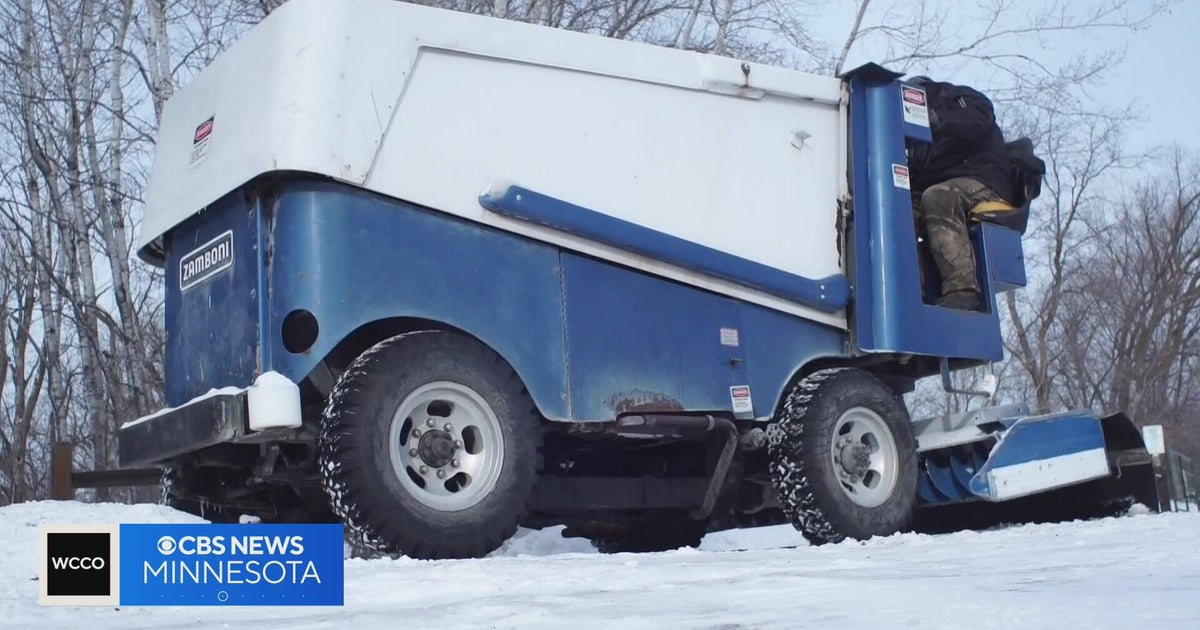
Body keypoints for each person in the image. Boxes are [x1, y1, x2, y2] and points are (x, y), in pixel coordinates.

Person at [905, 75, 1016, 312]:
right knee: (898, 207)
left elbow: (978, 122)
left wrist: (940, 120)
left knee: (939, 197)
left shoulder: (959, 99)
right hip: (943, 186)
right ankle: (911, 289)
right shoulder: (917, 142)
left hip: (984, 181)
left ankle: (962, 290)